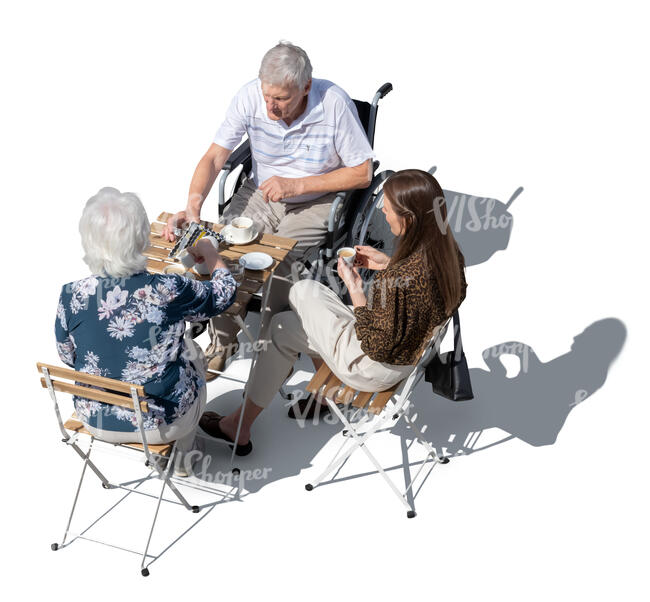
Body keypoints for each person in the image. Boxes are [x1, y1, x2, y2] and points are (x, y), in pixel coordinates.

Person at [198, 169, 468, 455]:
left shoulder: (401, 281)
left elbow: (374, 342)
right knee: (284, 325)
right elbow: (418, 296)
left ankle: (244, 422)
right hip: (409, 352)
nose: (385, 214)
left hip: (374, 366)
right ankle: (270, 415)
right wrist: (387, 264)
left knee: (300, 292)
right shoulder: (448, 254)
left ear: (409, 218)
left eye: (388, 210)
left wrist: (355, 289)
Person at [161, 41, 374, 378]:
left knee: (277, 260)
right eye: (267, 96)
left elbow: (363, 173)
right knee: (223, 250)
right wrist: (192, 205)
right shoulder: (250, 98)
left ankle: (274, 348)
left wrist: (298, 185)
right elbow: (215, 156)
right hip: (261, 192)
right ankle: (223, 341)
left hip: (316, 200)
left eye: (281, 99)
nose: (271, 107)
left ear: (305, 87)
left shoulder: (333, 104)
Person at [55, 187, 237, 473]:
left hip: (94, 417)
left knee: (180, 352)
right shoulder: (166, 289)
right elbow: (224, 293)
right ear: (141, 239)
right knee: (195, 352)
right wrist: (211, 254)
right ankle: (184, 457)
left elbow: (68, 356)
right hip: (160, 423)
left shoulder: (71, 295)